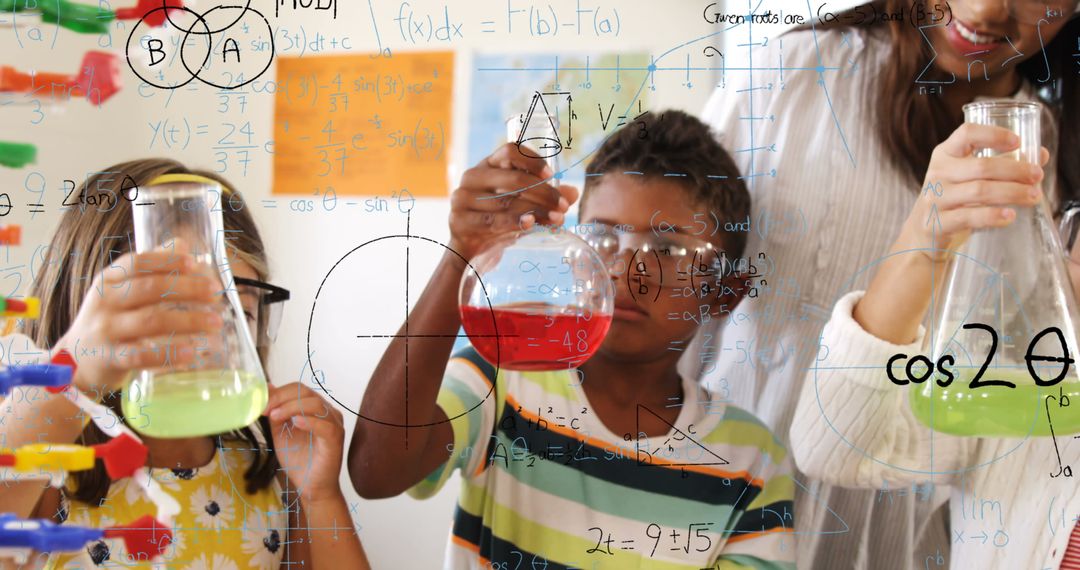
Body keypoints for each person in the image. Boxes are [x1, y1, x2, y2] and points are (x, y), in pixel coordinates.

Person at [692, 0, 1080, 567]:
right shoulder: (795, 72)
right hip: (714, 512)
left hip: (905, 542)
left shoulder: (1047, 152)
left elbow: (1000, 393)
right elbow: (675, 291)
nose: (988, 8)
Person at [347, 110, 794, 569]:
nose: (623, 268)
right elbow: (374, 472)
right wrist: (461, 254)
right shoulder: (502, 380)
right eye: (601, 237)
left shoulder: (751, 462)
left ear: (724, 292)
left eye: (667, 250)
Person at [0, 159, 370, 569]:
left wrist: (321, 495)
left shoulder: (267, 471)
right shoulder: (54, 475)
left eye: (236, 314)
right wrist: (78, 370)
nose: (202, 346)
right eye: (172, 313)